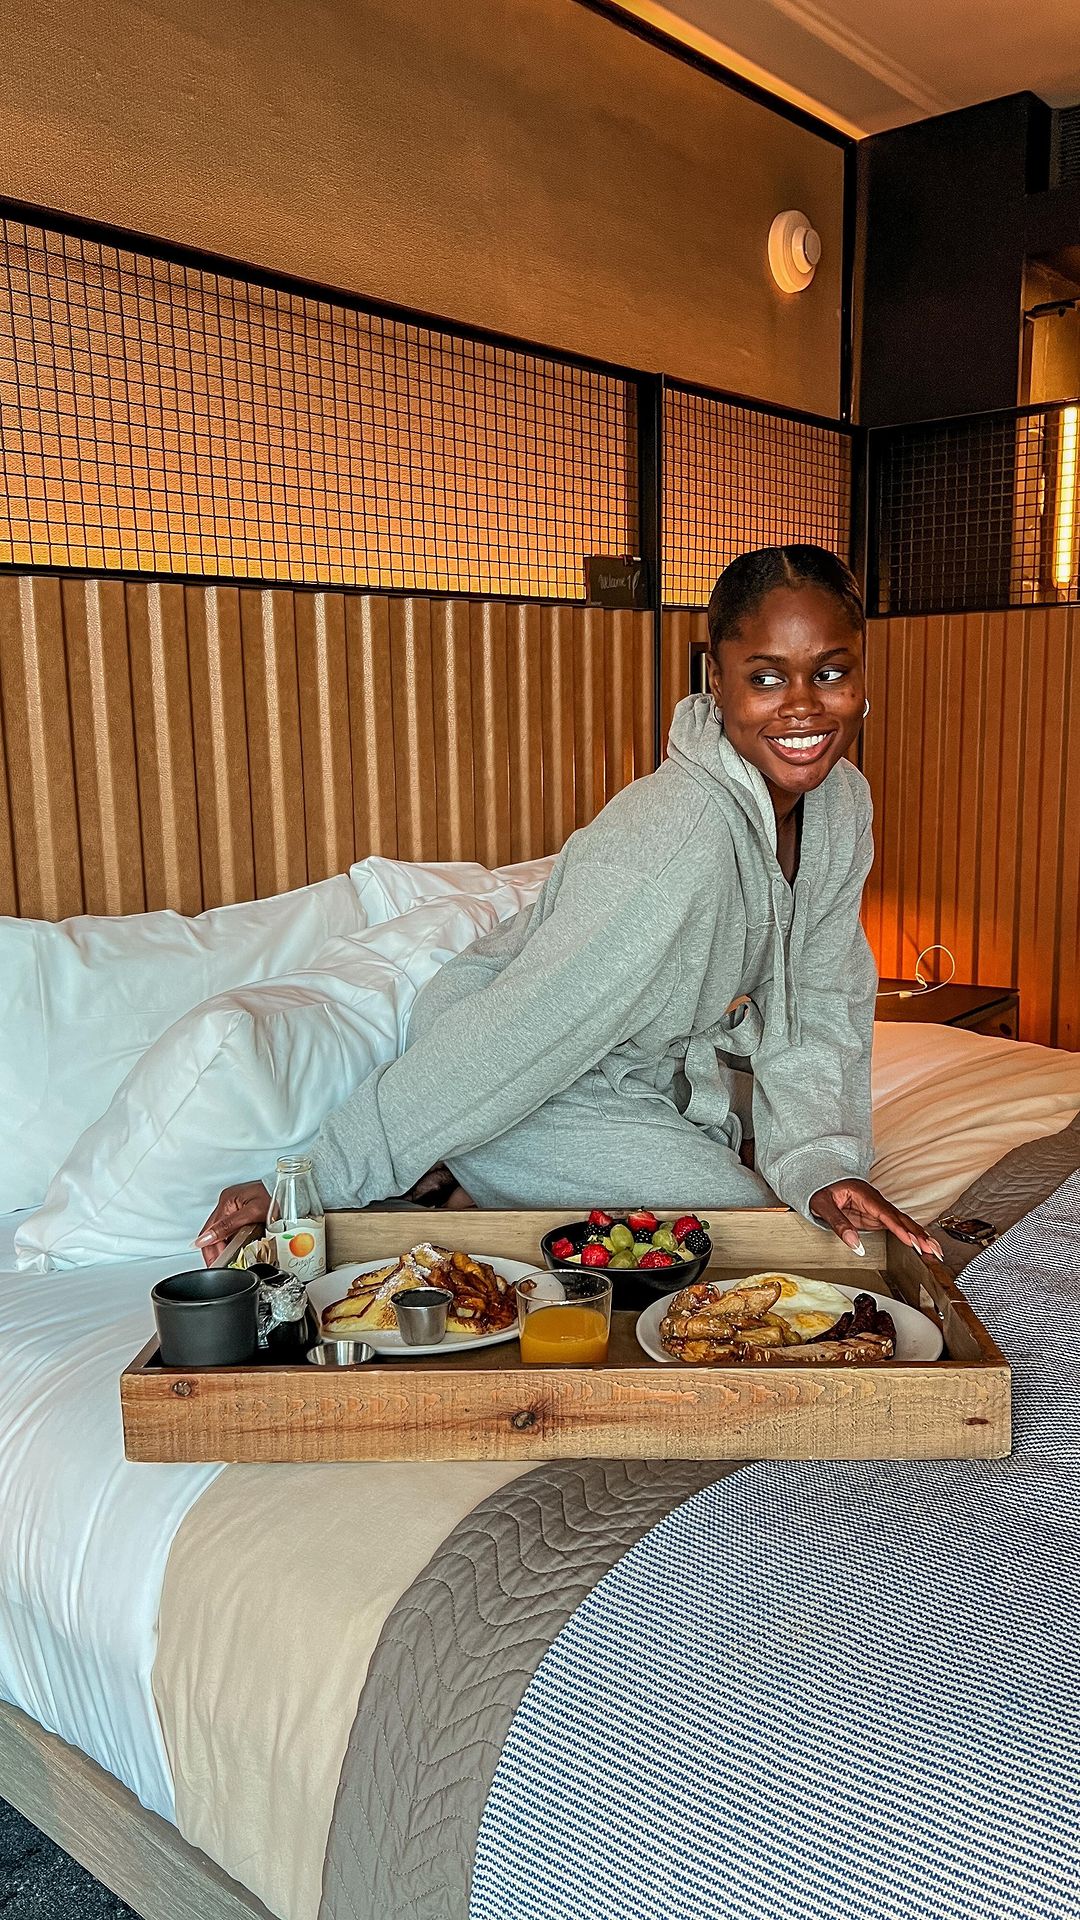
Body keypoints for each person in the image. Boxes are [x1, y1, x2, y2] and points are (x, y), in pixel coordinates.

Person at [196, 544, 940, 1265]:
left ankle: (465, 1187)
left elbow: (821, 997)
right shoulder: (674, 845)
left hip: (635, 1071)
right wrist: (312, 1180)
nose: (803, 707)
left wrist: (820, 1163)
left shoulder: (842, 804)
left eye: (830, 672)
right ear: (717, 681)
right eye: (766, 678)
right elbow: (512, 1038)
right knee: (744, 1242)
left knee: (803, 1218)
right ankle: (468, 1162)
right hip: (533, 1080)